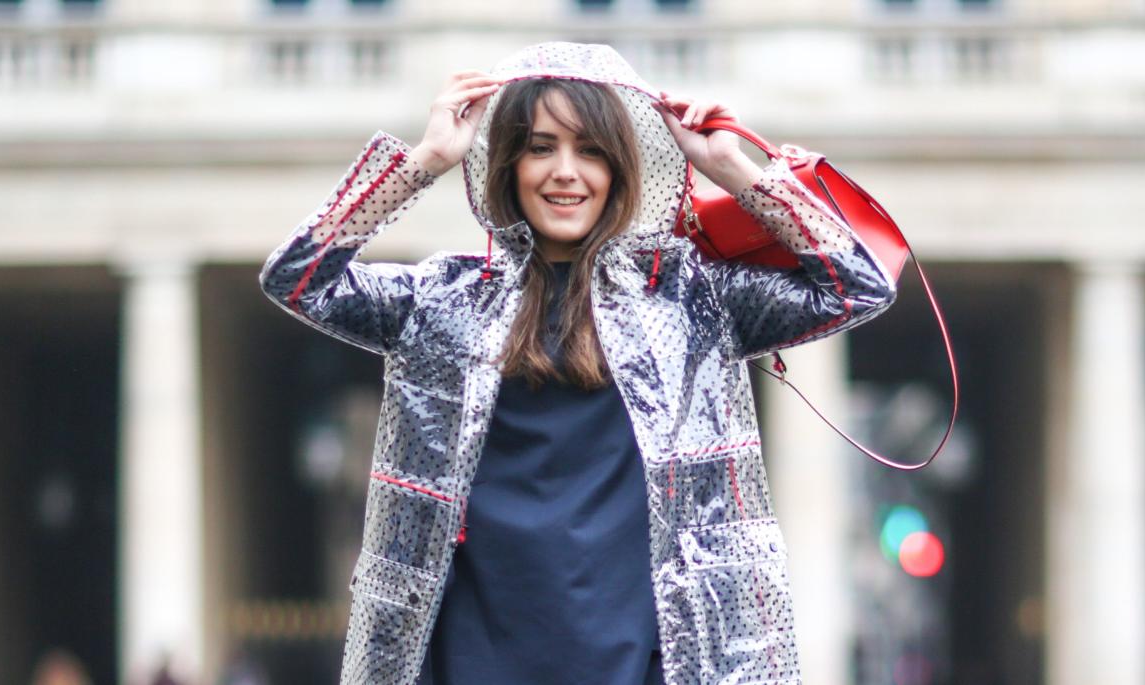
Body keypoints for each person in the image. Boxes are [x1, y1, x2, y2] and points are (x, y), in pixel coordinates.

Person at [260, 42, 896, 685]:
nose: (566, 171)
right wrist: (424, 162)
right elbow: (295, 279)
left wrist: (733, 171)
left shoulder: (690, 298)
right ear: (507, 166)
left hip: (644, 655)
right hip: (476, 653)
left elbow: (861, 284)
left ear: (620, 169)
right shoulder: (442, 298)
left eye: (590, 150)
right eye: (541, 147)